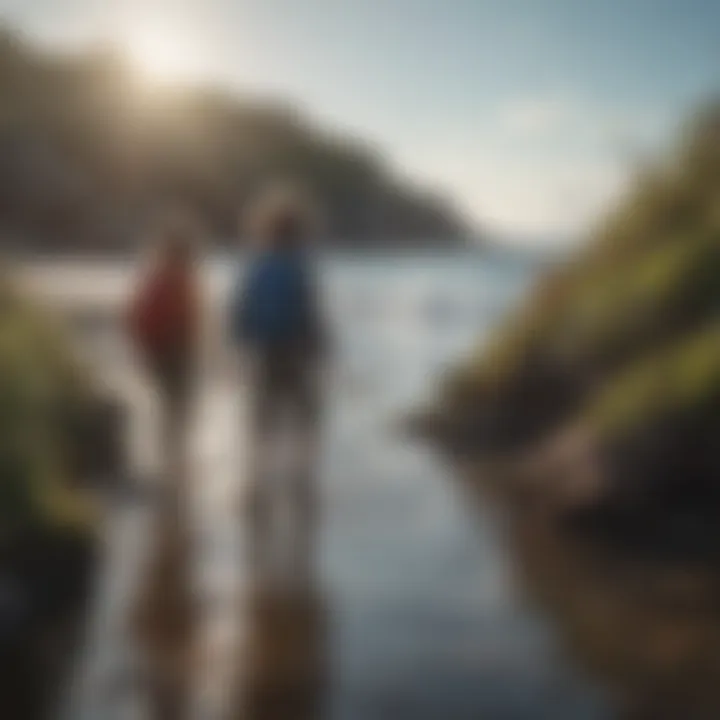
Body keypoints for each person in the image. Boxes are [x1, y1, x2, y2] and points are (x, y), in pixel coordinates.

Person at [229, 187, 329, 579]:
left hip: (263, 352)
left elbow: (239, 310)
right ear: (298, 229)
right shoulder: (300, 264)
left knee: (262, 418)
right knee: (303, 416)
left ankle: (257, 484)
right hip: (294, 351)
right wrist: (320, 347)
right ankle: (300, 482)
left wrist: (238, 345)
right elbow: (311, 313)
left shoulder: (256, 263)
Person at [127, 214, 202, 479]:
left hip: (156, 350)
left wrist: (141, 351)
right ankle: (176, 463)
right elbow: (190, 320)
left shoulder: (154, 275)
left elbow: (134, 316)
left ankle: (168, 461)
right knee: (179, 407)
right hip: (176, 351)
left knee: (167, 407)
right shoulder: (182, 278)